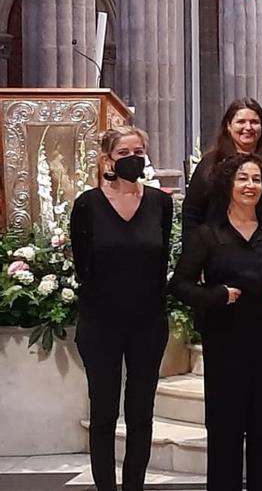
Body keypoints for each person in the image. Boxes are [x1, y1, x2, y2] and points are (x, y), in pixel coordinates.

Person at [169, 153, 262, 491]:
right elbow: (179, 284)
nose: (250, 185)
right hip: (224, 345)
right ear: (228, 184)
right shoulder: (207, 234)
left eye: (256, 179)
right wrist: (216, 296)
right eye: (243, 178)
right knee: (225, 430)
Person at [70, 126, 173, 491]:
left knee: (141, 413)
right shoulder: (87, 204)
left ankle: (134, 487)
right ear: (108, 160)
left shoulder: (161, 203)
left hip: (148, 321)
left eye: (139, 150)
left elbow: (161, 262)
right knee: (103, 413)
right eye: (125, 152)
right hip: (101, 322)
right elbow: (84, 265)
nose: (134, 157)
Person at [182, 97, 262, 242]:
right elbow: (192, 212)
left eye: (254, 122)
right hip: (218, 247)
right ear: (228, 126)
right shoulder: (210, 163)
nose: (248, 127)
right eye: (241, 122)